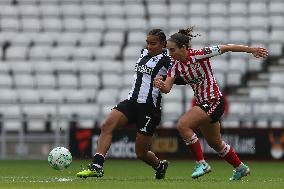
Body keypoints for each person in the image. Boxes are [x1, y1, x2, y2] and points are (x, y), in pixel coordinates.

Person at [154, 27, 268, 180]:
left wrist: (252, 50)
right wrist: (159, 84)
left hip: (214, 100)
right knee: (215, 143)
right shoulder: (175, 66)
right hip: (204, 104)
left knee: (183, 124)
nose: (170, 54)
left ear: (183, 48)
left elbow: (227, 47)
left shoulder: (199, 55)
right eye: (168, 50)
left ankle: (201, 163)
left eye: (172, 50)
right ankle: (240, 168)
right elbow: (167, 88)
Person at [76, 29, 186, 179]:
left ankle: (159, 165)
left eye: (153, 43)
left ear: (163, 44)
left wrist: (164, 81)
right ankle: (97, 165)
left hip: (149, 108)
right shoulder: (143, 53)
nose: (149, 46)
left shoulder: (168, 59)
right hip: (131, 102)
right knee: (107, 125)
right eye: (147, 42)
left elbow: (179, 78)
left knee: (140, 152)